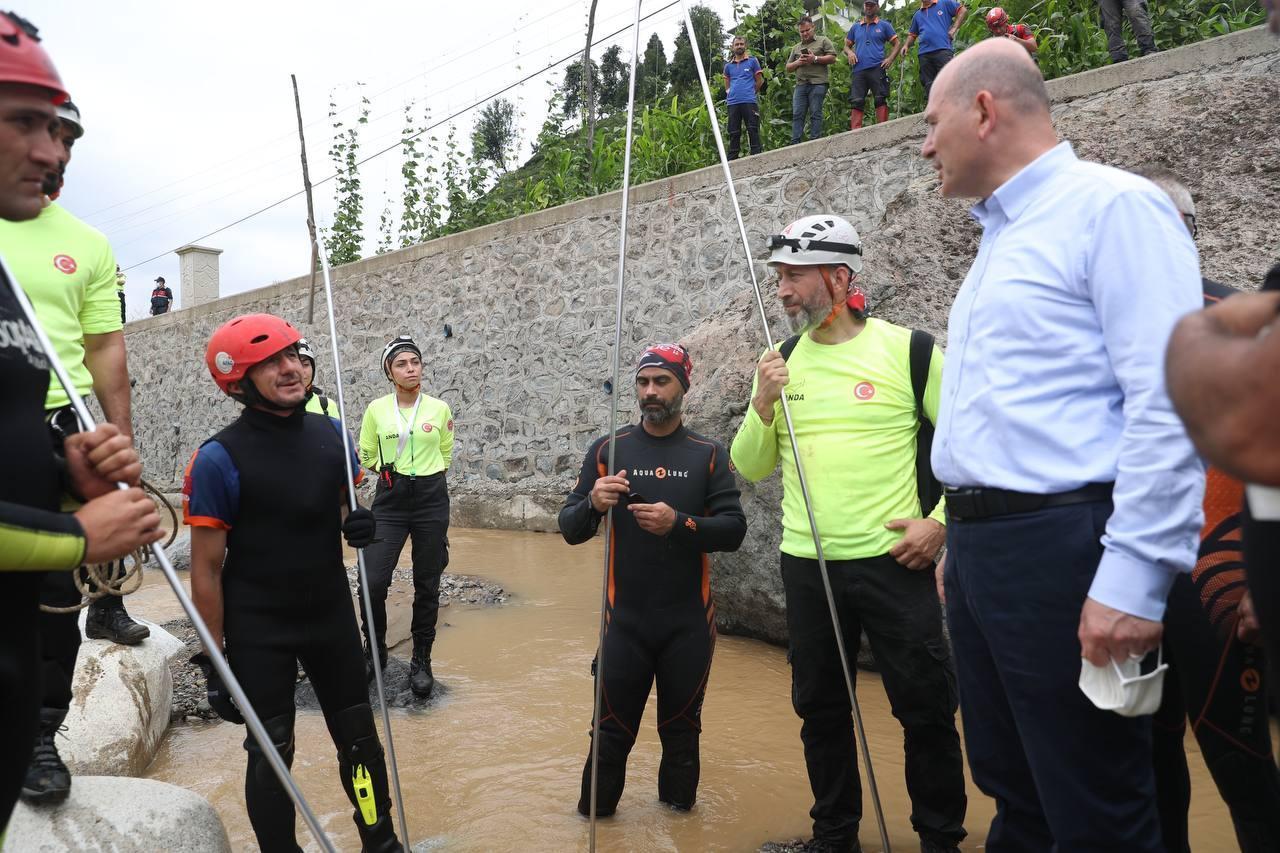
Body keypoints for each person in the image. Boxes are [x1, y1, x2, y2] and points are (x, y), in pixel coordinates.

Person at [922, 40, 1203, 850]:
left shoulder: (1112, 208)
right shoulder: (999, 239)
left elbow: (1170, 397)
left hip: (1069, 549)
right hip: (986, 556)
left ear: (984, 111)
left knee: (1096, 809)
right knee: (1016, 795)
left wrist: (1135, 576)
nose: (924, 143)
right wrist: (963, 538)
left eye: (932, 121)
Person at [730, 214, 968, 853]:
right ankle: (834, 836)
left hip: (895, 562)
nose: (780, 289)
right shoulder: (777, 364)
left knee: (924, 709)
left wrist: (939, 527)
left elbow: (973, 449)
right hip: (807, 565)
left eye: (793, 276)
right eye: (777, 276)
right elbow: (750, 466)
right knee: (820, 709)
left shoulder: (910, 352)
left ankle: (940, 840)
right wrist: (762, 405)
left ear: (838, 278)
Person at [0, 10, 161, 831]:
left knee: (54, 599)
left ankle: (38, 732)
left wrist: (110, 449)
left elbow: (107, 353)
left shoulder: (86, 244)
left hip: (53, 419)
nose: (52, 150)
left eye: (59, 131)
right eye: (26, 123)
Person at [184, 312, 402, 852]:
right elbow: (207, 571)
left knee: (359, 740)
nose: (289, 369)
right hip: (259, 626)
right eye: (270, 363)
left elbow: (344, 509)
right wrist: (214, 659)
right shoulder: (217, 459)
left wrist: (360, 522)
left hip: (329, 614)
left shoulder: (332, 435)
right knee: (271, 749)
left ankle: (381, 843)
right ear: (238, 380)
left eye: (292, 356)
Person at [1133, 165, 1280, 853]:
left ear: (1188, 236)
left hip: (1217, 582)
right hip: (1132, 585)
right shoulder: (1099, 332)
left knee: (1242, 768)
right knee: (1150, 771)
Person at [559, 343, 746, 817]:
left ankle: (679, 832)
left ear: (684, 385)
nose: (650, 392)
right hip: (624, 625)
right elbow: (570, 529)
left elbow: (733, 530)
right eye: (643, 382)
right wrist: (594, 504)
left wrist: (679, 522)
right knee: (608, 736)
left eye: (661, 381)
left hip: (688, 626)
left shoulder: (707, 454)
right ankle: (594, 828)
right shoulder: (608, 450)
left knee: (682, 735)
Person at [358, 334, 454, 698]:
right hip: (391, 498)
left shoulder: (439, 409)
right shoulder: (376, 410)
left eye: (415, 362)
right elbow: (366, 453)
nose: (411, 369)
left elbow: (445, 453)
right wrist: (387, 468)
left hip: (431, 498)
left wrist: (425, 472)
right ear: (389, 371)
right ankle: (375, 651)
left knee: (427, 581)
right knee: (372, 581)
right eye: (402, 363)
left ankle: (422, 660)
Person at [844, 0, 901, 129]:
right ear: (864, 6)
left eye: (871, 5)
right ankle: (855, 135)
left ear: (877, 7)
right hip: (859, 69)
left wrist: (890, 59)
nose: (868, 7)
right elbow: (846, 46)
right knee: (857, 101)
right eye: (866, 5)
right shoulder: (855, 27)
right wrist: (850, 53)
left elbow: (897, 44)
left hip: (877, 68)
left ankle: (883, 130)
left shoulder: (884, 25)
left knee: (880, 98)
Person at [786, 16, 837, 145]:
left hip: (818, 83)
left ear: (813, 27)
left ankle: (815, 141)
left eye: (807, 30)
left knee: (815, 112)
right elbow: (788, 68)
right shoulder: (796, 48)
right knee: (797, 114)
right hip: (801, 84)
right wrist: (798, 62)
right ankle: (795, 142)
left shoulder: (823, 41)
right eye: (802, 31)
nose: (805, 33)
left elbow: (832, 58)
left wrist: (814, 59)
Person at [904, 0, 967, 102]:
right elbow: (912, 34)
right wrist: (906, 45)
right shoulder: (918, 15)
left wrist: (954, 28)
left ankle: (954, 108)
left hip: (942, 49)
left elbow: (962, 10)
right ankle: (936, 112)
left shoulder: (944, 3)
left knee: (948, 81)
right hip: (924, 54)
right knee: (929, 84)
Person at [723, 36, 763, 160]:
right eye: (737, 44)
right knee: (734, 132)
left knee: (752, 128)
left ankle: (756, 156)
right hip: (733, 103)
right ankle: (732, 159)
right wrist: (731, 94)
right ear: (732, 47)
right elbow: (727, 85)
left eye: (741, 44)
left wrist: (750, 92)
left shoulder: (752, 61)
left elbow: (760, 81)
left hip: (749, 101)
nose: (739, 46)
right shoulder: (728, 66)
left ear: (745, 46)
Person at [297, 338, 334, 417]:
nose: (301, 371)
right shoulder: (277, 409)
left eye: (306, 364)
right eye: (296, 364)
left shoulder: (327, 406)